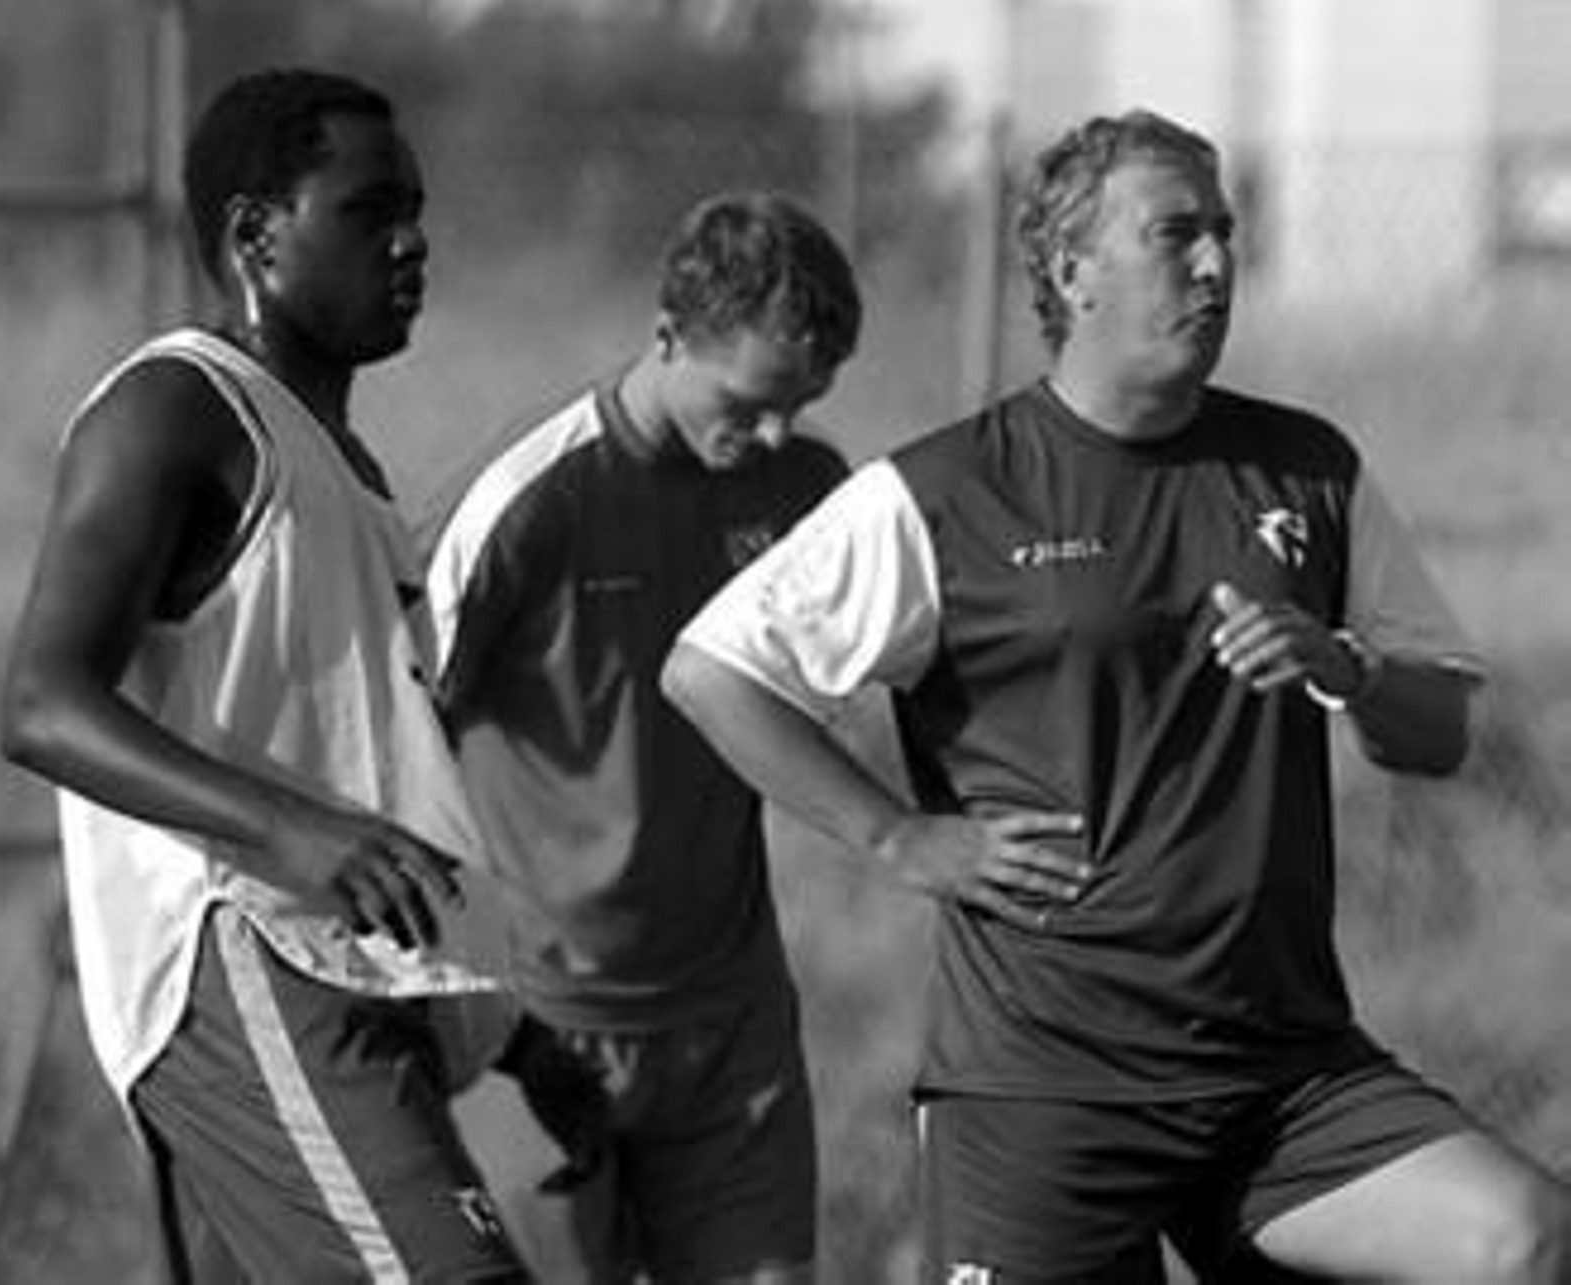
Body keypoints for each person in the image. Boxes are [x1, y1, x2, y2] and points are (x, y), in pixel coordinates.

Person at [661, 110, 1571, 1283]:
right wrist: (898, 835)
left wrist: (1342, 667)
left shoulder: (1305, 468)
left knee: (1526, 1238)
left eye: (1225, 232)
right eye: (1175, 233)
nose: (1214, 262)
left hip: (1282, 1078)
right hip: (1044, 1097)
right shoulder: (943, 490)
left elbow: (1437, 731)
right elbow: (713, 670)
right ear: (1069, 271)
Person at [0, 68, 541, 1284]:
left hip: (347, 973)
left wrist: (521, 1041)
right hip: (247, 954)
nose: (412, 239)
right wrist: (290, 831)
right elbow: (40, 702)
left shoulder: (343, 465)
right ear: (255, 233)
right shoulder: (179, 407)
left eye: (416, 207)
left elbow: (361, 768)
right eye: (368, 210)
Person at [424, 191, 861, 1283]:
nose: (769, 436)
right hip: (541, 1024)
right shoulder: (532, 500)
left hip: (732, 1020)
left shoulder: (810, 487)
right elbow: (391, 737)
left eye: (798, 408)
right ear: (668, 335)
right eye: (750, 402)